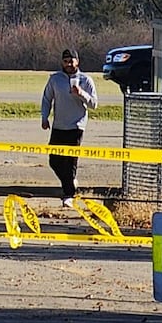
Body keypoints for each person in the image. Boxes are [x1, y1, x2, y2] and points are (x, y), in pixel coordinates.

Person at [40, 47, 98, 206]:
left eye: (71, 61)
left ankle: (69, 195)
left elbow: (94, 104)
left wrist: (81, 93)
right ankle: (70, 182)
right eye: (65, 61)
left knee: (70, 161)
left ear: (77, 61)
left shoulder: (86, 80)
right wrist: (45, 117)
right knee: (54, 160)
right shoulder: (55, 79)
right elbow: (47, 99)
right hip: (59, 125)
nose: (68, 64)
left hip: (76, 126)